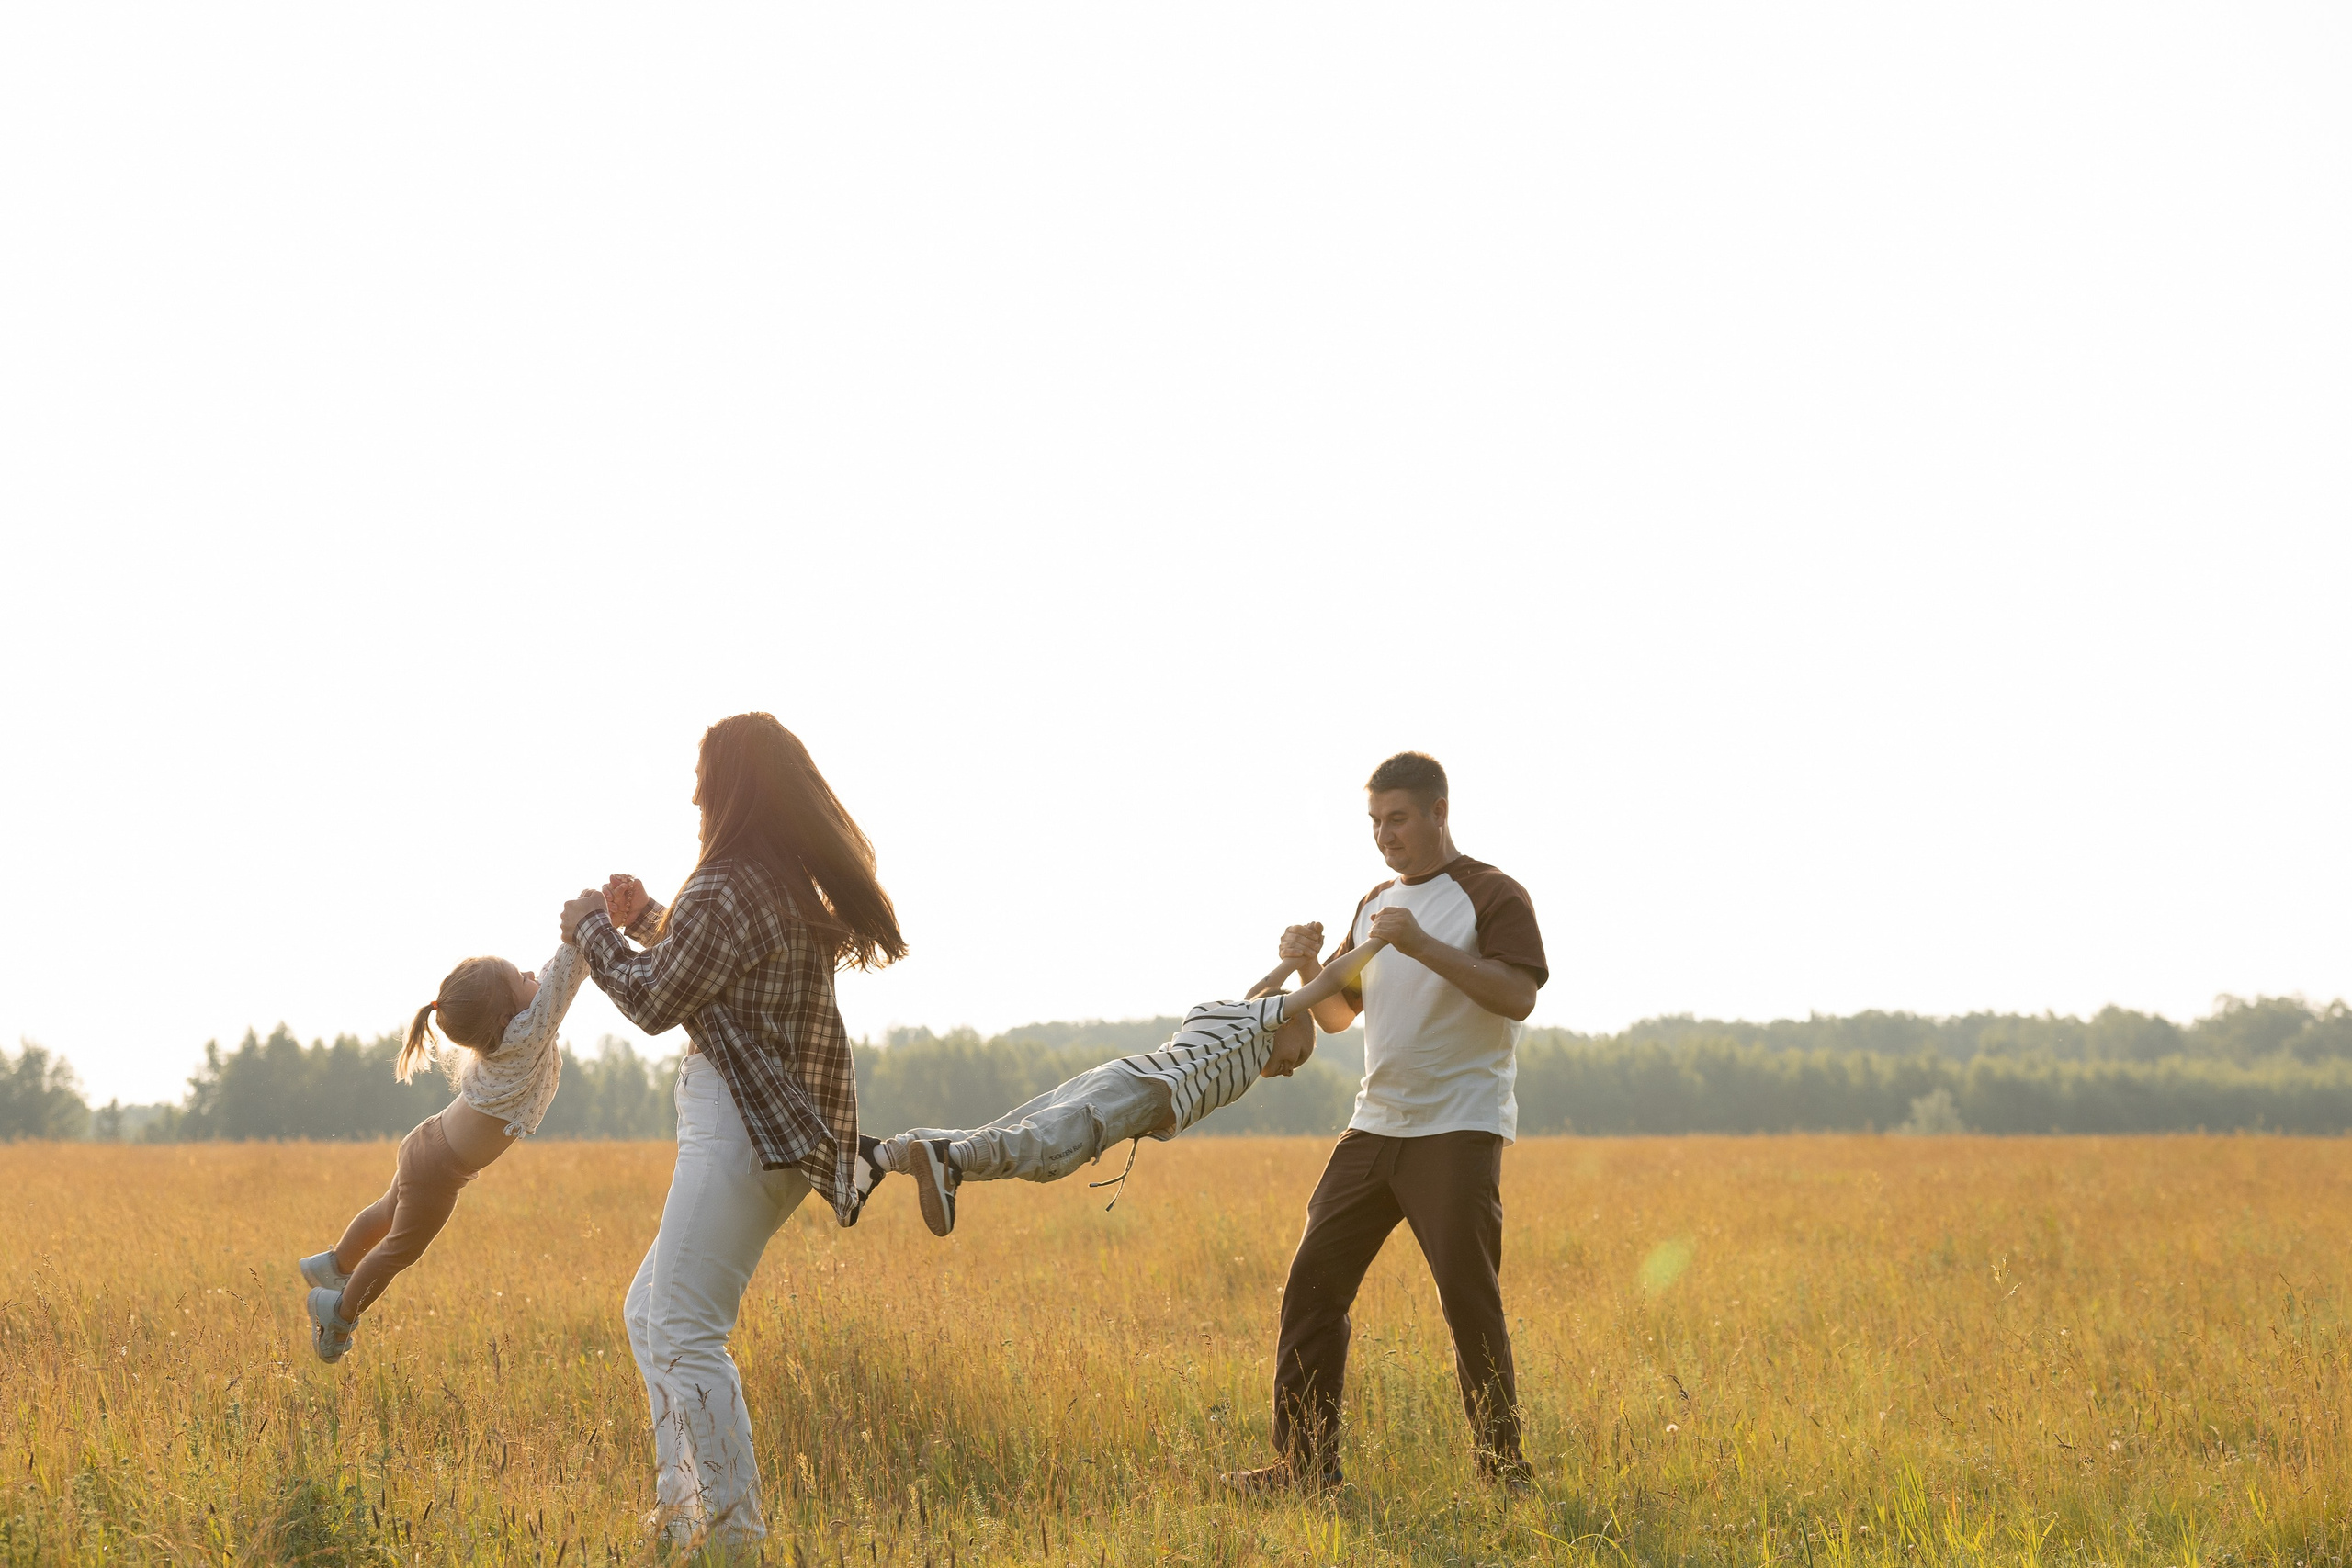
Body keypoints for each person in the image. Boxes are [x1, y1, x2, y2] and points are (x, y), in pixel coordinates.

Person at [563, 713, 907, 1551]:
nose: (692, 791)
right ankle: (682, 1513)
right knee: (650, 1314)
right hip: (772, 1133)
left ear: (730, 785)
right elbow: (710, 976)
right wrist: (646, 918)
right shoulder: (777, 882)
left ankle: (732, 1537)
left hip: (738, 1127)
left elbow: (652, 1001)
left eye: (702, 775)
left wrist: (591, 933)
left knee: (685, 1326)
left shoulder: (730, 886)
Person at [1227, 750, 1548, 1494]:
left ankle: (1505, 1474)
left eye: (1397, 818)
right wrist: (1309, 965)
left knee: (1469, 1299)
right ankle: (1303, 1468)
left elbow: (1518, 995)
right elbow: (1337, 1013)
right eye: (1375, 821)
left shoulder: (1491, 894)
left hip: (1457, 1128)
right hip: (1374, 1127)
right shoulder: (1374, 901)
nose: (1385, 834)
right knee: (1312, 1284)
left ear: (1440, 811)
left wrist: (1423, 944)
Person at [876, 940, 1389, 1235]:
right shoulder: (1260, 1023)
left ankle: (882, 1156)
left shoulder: (1225, 1017)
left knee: (1009, 1127)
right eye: (1297, 1056)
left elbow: (1258, 994)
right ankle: (953, 1162)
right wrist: (1377, 941)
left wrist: (1295, 956)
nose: (1291, 1071)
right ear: (1281, 1024)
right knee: (1049, 1151)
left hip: (1119, 1074)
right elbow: (1310, 992)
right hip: (1144, 1093)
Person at [296, 940, 591, 1362]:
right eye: (520, 977)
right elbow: (559, 982)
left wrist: (587, 932)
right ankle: (336, 1314)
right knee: (400, 1249)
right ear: (509, 1016)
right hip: (439, 1170)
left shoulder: (514, 1033)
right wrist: (587, 929)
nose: (533, 975)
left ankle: (333, 1265)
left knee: (385, 1213)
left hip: (428, 1141)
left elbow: (549, 981)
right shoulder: (525, 1037)